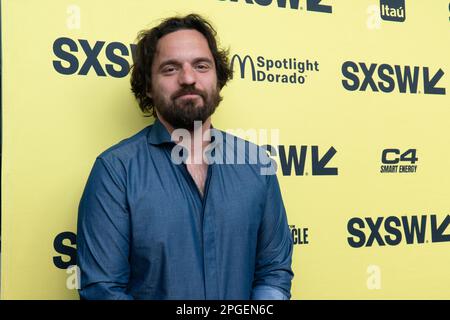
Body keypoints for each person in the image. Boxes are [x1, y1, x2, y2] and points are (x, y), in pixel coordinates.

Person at [77, 13, 293, 300]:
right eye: (170, 69)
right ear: (148, 87)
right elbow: (103, 290)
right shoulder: (116, 171)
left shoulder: (256, 164)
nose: (188, 78)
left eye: (201, 66)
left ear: (218, 77)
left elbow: (273, 272)